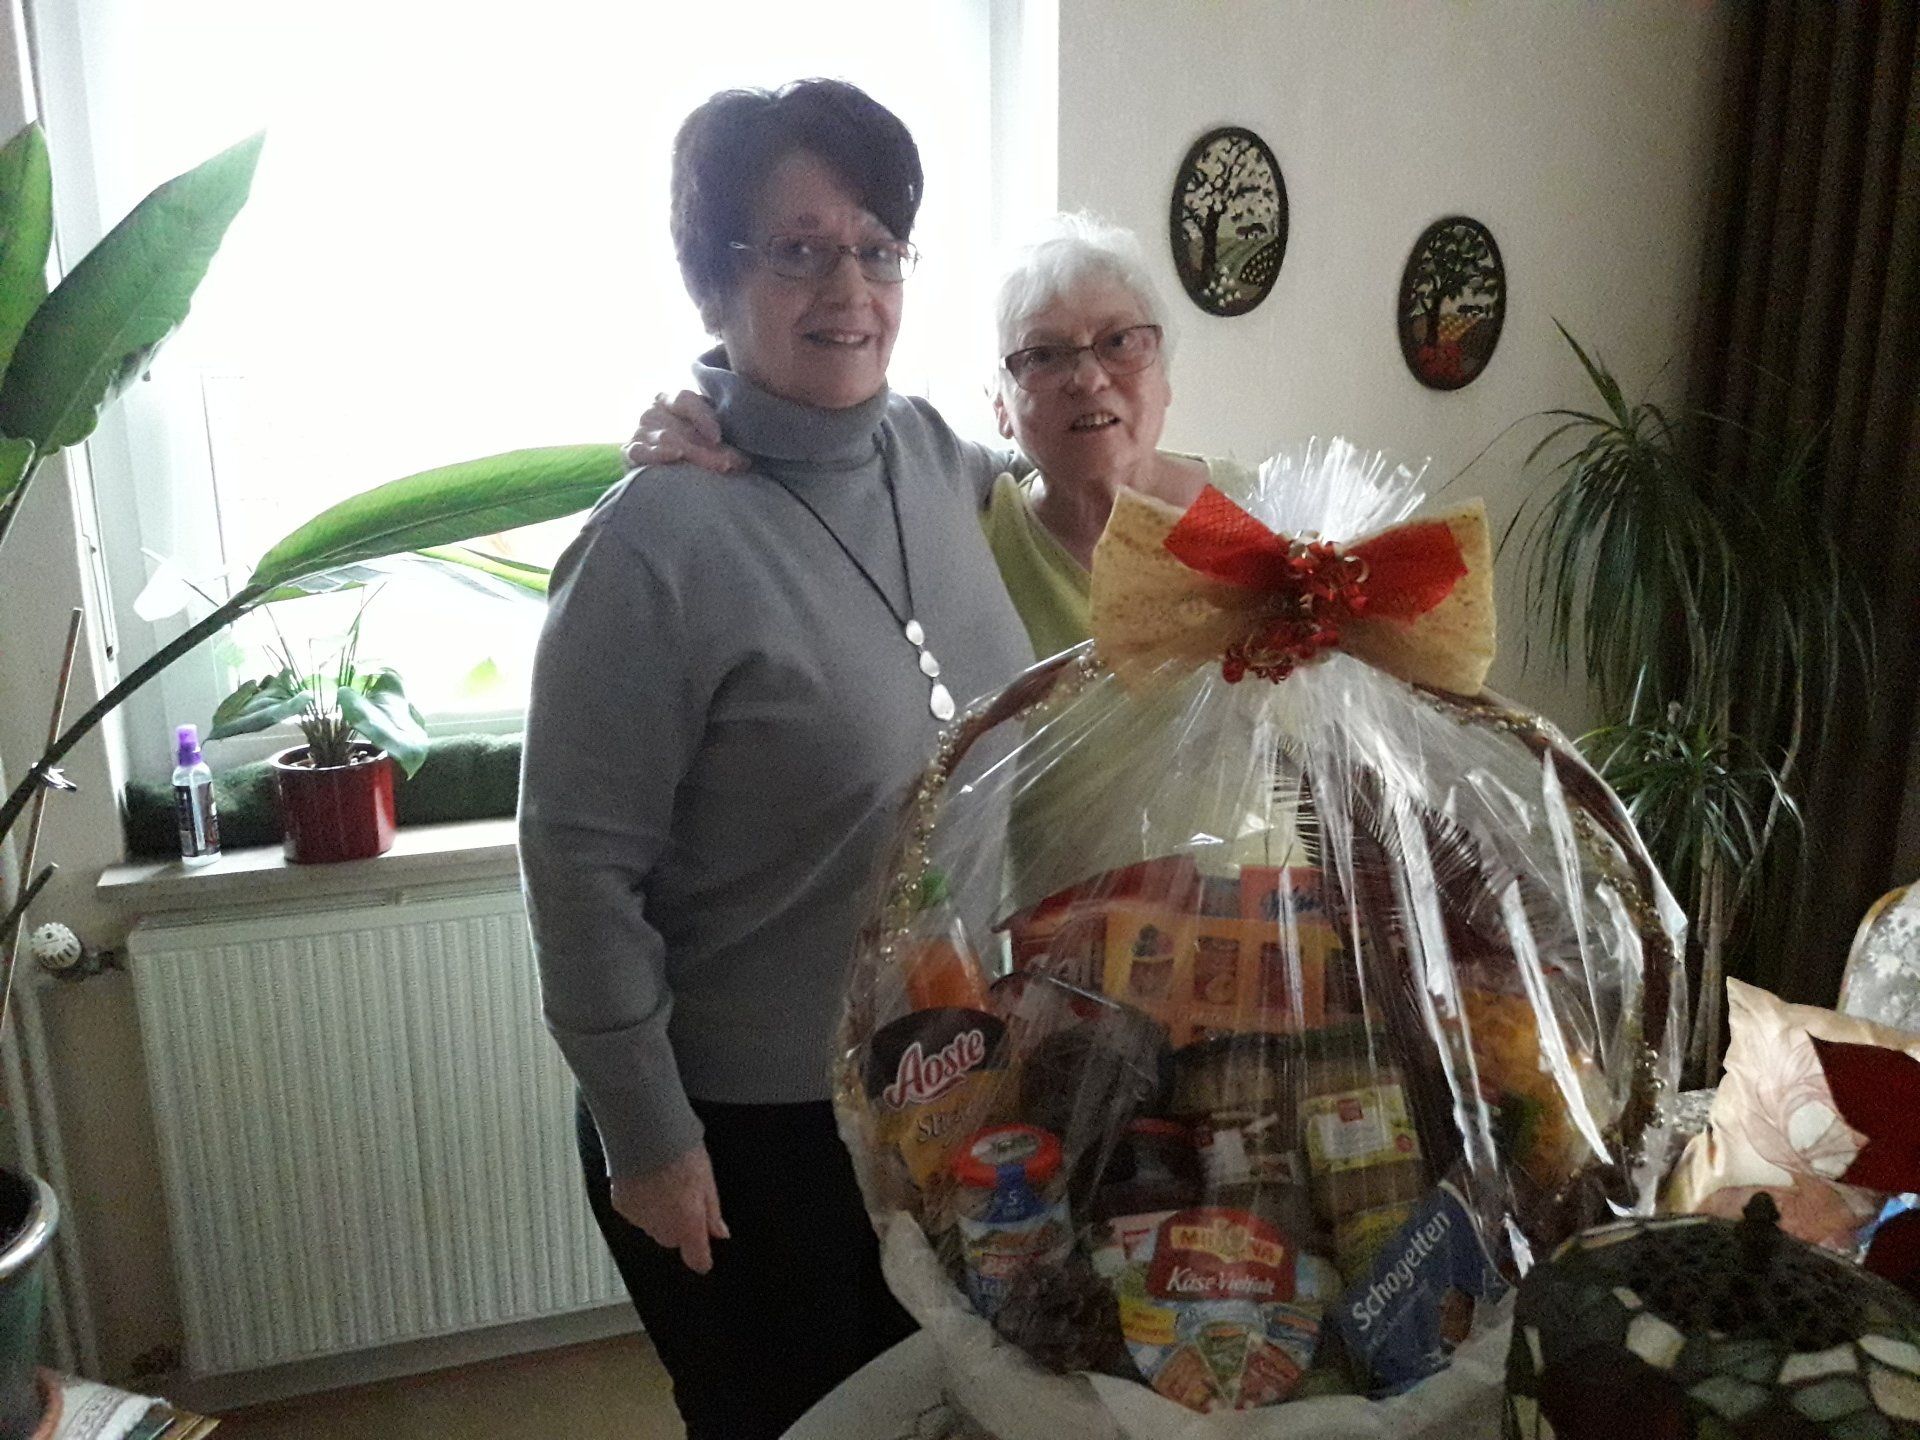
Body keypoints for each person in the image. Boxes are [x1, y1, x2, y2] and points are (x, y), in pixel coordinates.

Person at [518, 79, 1033, 1440]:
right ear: (712, 279)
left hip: (943, 1082)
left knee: (942, 1412)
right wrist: (649, 1137)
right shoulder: (652, 545)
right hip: (751, 1131)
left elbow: (1095, 481)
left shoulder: (935, 456)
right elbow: (576, 868)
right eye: (798, 249)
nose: (848, 287)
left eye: (877, 247)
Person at [630, 211, 1255, 658]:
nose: (1089, 378)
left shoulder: (1257, 509)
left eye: (1119, 342)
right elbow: (828, 461)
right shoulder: (969, 524)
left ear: (1164, 375)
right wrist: (718, 422)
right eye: (1042, 355)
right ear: (1001, 408)